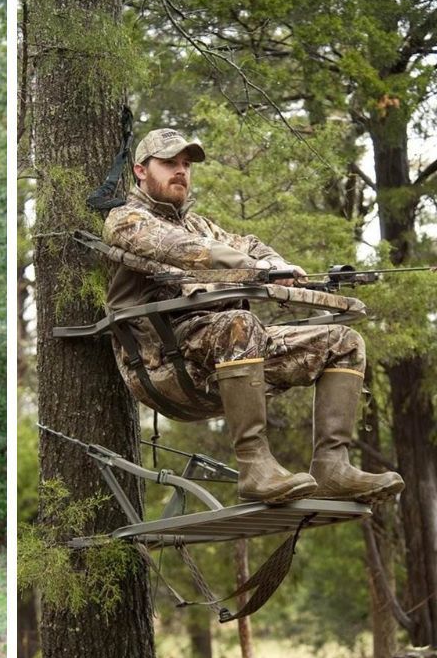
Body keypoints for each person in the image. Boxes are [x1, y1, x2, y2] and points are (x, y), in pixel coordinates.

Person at [102, 127, 403, 504]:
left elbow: (248, 243)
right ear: (141, 171)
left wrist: (275, 264)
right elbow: (183, 248)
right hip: (163, 364)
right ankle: (255, 467)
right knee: (239, 325)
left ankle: (332, 467)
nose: (180, 171)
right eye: (169, 163)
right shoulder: (126, 219)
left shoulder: (200, 224)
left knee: (343, 342)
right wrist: (250, 267)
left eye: (185, 164)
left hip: (224, 355)